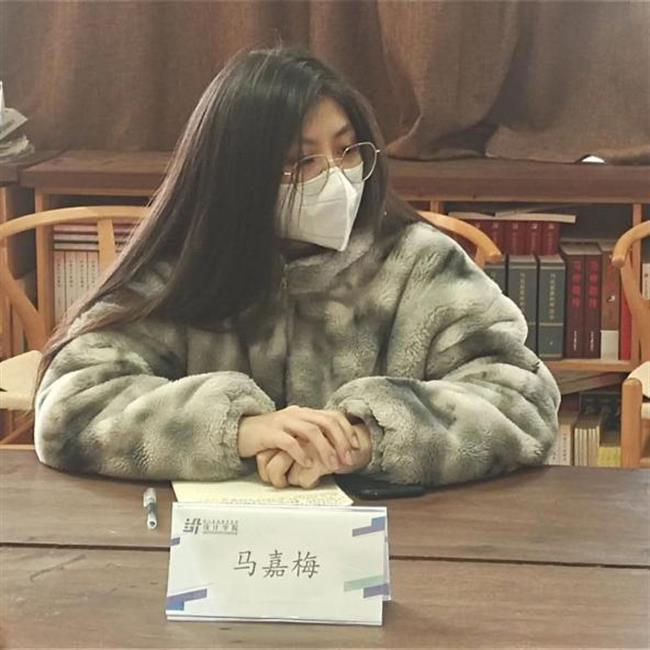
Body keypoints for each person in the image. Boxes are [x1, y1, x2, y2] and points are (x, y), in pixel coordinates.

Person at [33, 47, 560, 489]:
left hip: (393, 544)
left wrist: (365, 437)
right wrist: (238, 428)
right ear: (237, 175)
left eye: (347, 149)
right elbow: (69, 408)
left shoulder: (420, 264)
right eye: (299, 162)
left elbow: (522, 401)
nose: (335, 177)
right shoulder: (187, 270)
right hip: (210, 550)